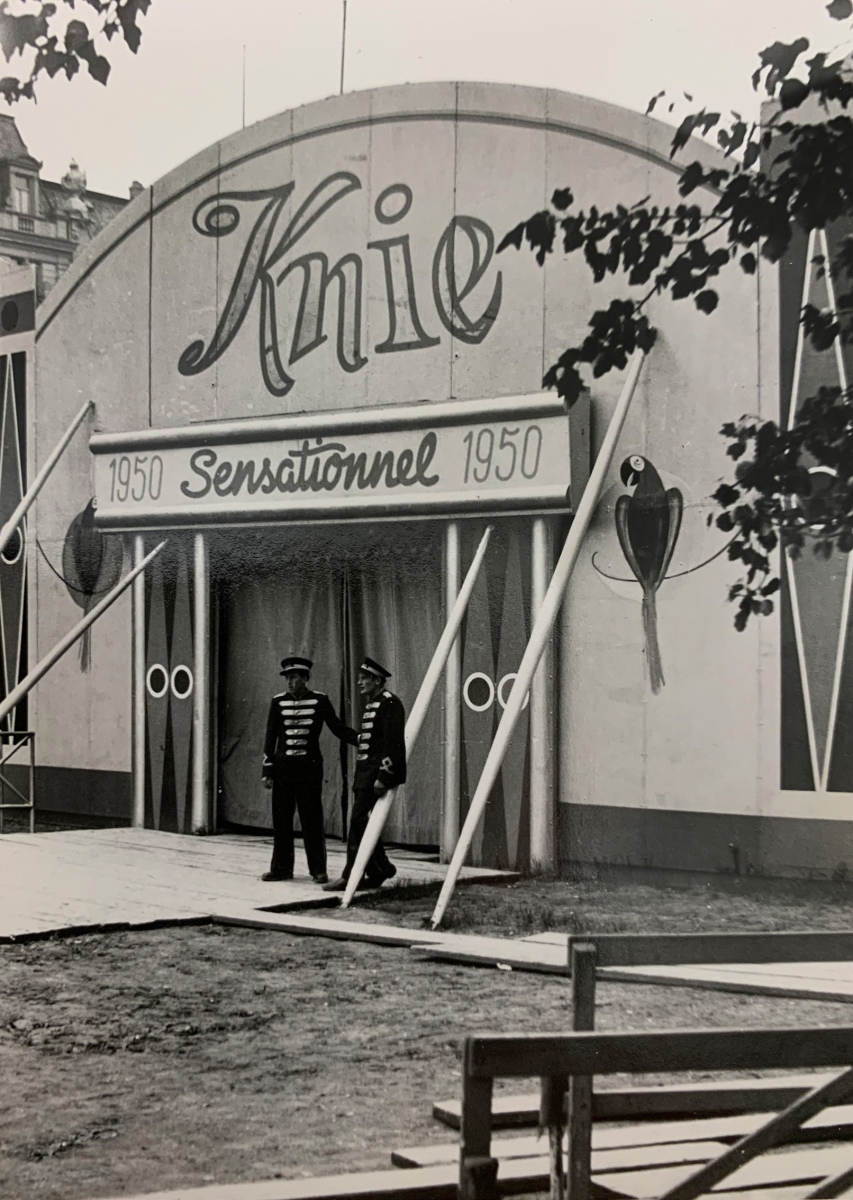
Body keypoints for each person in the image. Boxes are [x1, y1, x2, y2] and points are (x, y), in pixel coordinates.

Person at [262, 655, 356, 884]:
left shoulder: (319, 700)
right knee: (281, 820)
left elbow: (337, 727)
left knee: (311, 820)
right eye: (287, 677)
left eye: (294, 677)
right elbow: (270, 738)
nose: (289, 682)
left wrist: (362, 740)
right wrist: (267, 770)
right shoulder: (278, 702)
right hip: (283, 771)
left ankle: (318, 870)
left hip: (309, 771)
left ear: (305, 678)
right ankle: (281, 868)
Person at [323, 657, 405, 892]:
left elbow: (393, 743)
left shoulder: (389, 703)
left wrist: (384, 776)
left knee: (358, 821)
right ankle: (381, 868)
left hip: (376, 774)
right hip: (365, 773)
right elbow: (366, 740)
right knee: (362, 822)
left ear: (377, 680)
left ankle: (352, 876)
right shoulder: (374, 704)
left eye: (364, 678)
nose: (359, 682)